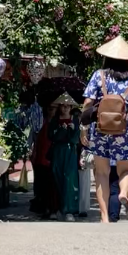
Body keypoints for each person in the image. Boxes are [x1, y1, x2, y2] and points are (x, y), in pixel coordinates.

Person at [81, 36, 128, 223]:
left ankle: (104, 217)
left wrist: (84, 127)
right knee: (126, 170)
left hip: (100, 130)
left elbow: (87, 103)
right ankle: (124, 193)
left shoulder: (98, 76)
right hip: (125, 131)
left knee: (101, 173)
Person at [48, 92, 81, 222]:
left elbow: (75, 140)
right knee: (57, 178)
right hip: (58, 151)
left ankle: (69, 210)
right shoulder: (54, 121)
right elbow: (51, 136)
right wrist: (61, 130)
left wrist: (73, 129)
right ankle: (56, 209)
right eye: (63, 105)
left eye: (68, 106)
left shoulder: (75, 120)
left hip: (70, 152)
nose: (65, 108)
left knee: (70, 180)